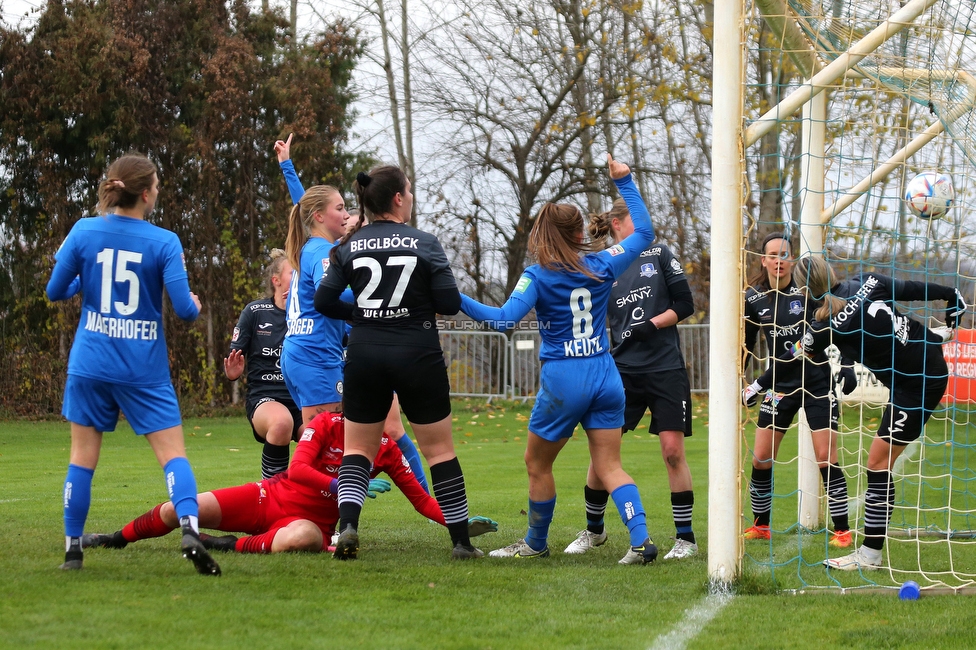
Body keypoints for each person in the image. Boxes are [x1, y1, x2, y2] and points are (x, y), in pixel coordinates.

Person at [458, 154, 659, 564]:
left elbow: (503, 321)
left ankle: (535, 544)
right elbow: (645, 233)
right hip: (605, 372)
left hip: (565, 378)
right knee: (609, 465)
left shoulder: (538, 274)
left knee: (537, 462)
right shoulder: (603, 262)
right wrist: (624, 181)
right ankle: (641, 542)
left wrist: (453, 298)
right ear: (580, 231)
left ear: (543, 233)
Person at [45, 153, 220, 575]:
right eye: (157, 185)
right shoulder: (164, 241)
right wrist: (195, 304)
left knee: (82, 457)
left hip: (90, 361)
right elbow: (183, 310)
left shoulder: (84, 231)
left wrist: (82, 279)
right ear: (145, 193)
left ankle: (73, 551)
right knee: (174, 456)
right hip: (143, 369)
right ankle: (191, 531)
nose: (158, 191)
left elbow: (55, 290)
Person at [314, 165, 478, 560]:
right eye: (409, 191)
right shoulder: (424, 242)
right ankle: (460, 543)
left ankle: (349, 528)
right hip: (417, 352)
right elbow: (450, 303)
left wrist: (361, 316)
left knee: (357, 450)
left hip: (365, 352)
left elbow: (323, 301)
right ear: (399, 198)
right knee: (439, 451)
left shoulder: (348, 246)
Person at [81, 411, 498, 554]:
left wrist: (456, 524)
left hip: (309, 523)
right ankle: (116, 539)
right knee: (179, 508)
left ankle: (222, 544)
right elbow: (297, 471)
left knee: (303, 540)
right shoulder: (323, 424)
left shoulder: (388, 452)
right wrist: (342, 486)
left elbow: (423, 502)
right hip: (267, 498)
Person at [779, 255, 964, 570]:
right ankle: (870, 552)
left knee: (878, 463)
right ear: (831, 271)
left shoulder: (824, 326)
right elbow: (914, 288)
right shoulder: (870, 281)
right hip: (925, 357)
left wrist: (757, 384)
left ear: (803, 291)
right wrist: (951, 294)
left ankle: (869, 556)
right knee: (879, 463)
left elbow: (793, 355)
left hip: (918, 384)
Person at [275, 135, 430, 493]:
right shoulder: (318, 253)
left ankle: (424, 500)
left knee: (384, 428)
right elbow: (334, 292)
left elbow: (304, 204)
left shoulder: (316, 242)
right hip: (313, 356)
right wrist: (376, 297)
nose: (347, 214)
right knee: (327, 444)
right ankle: (310, 512)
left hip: (315, 354)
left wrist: (287, 166)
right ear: (321, 217)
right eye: (341, 208)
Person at [578, 202, 697, 560]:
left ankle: (686, 539)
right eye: (635, 217)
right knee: (603, 450)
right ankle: (593, 531)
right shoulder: (602, 267)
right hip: (622, 373)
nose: (645, 222)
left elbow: (686, 303)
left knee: (672, 452)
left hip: (666, 370)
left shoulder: (658, 253)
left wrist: (654, 324)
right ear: (617, 224)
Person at [740, 233, 854, 547]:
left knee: (825, 457)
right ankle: (761, 526)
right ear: (763, 260)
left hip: (816, 384)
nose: (779, 260)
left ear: (792, 259)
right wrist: (739, 380)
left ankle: (842, 530)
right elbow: (746, 347)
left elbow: (835, 331)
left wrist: (845, 364)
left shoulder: (809, 293)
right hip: (780, 387)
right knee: (761, 457)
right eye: (772, 255)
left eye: (784, 254)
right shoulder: (754, 299)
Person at [223, 249, 301, 479]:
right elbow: (234, 357)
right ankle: (271, 492)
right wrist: (232, 372)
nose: (299, 275)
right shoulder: (255, 312)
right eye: (293, 272)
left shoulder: (311, 313)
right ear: (276, 280)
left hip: (303, 399)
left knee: (317, 434)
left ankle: (314, 500)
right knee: (281, 423)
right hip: (266, 398)